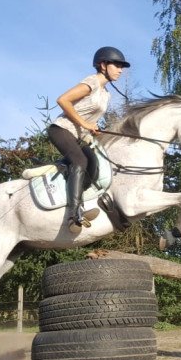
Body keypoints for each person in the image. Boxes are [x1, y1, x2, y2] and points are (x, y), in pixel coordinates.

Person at [48, 46, 131, 234]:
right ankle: (74, 214)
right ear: (103, 65)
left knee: (94, 163)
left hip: (77, 136)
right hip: (61, 130)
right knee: (81, 160)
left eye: (121, 67)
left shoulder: (106, 94)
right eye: (116, 65)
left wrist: (92, 130)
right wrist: (85, 124)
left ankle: (73, 195)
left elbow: (89, 121)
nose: (120, 70)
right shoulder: (92, 82)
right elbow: (62, 100)